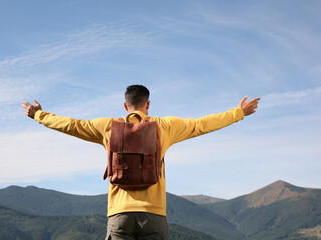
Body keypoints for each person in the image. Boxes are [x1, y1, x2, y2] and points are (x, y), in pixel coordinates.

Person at [22, 85, 260, 240]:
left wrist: (39, 115)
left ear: (125, 106)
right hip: (154, 215)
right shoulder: (164, 126)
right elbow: (202, 124)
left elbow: (71, 125)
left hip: (119, 214)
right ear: (148, 104)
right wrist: (239, 112)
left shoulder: (107, 126)